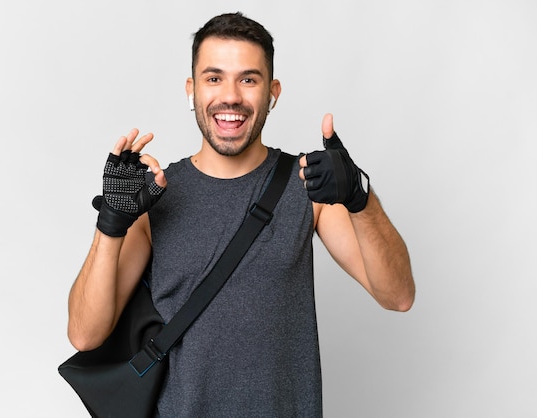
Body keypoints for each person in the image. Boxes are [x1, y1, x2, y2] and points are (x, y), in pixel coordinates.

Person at [67, 12, 415, 417]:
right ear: (192, 89)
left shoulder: (309, 188)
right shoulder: (156, 196)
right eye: (214, 78)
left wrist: (359, 196)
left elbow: (398, 296)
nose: (230, 96)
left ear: (272, 92)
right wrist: (111, 221)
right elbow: (84, 335)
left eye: (248, 79)